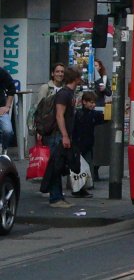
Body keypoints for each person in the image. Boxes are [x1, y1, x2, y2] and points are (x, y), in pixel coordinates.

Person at [39, 66, 80, 208]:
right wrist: (65, 136)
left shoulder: (68, 93)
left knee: (59, 165)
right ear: (76, 78)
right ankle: (55, 198)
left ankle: (59, 197)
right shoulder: (64, 94)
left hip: (61, 135)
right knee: (56, 166)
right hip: (58, 135)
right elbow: (59, 115)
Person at [71, 90, 104, 197]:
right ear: (84, 102)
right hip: (81, 145)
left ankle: (81, 188)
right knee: (82, 167)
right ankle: (80, 189)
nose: (93, 104)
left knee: (83, 167)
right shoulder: (82, 114)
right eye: (91, 102)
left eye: (94, 102)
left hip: (85, 145)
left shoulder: (88, 114)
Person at [32, 62, 65, 131]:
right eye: (57, 72)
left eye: (62, 72)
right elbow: (39, 109)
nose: (60, 74)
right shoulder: (45, 88)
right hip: (48, 128)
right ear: (52, 74)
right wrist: (39, 128)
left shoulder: (65, 89)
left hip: (61, 127)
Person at [0, 65, 16, 152]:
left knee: (8, 131)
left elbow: (12, 88)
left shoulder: (1, 71)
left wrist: (7, 106)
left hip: (1, 109)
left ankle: (3, 149)